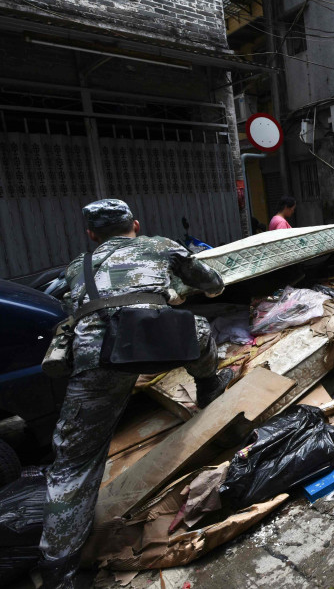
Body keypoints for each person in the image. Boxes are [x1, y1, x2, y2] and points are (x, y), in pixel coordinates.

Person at [39, 199, 233, 588]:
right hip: (158, 347)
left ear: (91, 235)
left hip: (99, 359)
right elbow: (213, 283)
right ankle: (209, 386)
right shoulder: (160, 246)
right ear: (136, 225)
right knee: (199, 329)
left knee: (74, 465)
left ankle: (59, 571)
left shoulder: (78, 266)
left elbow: (68, 302)